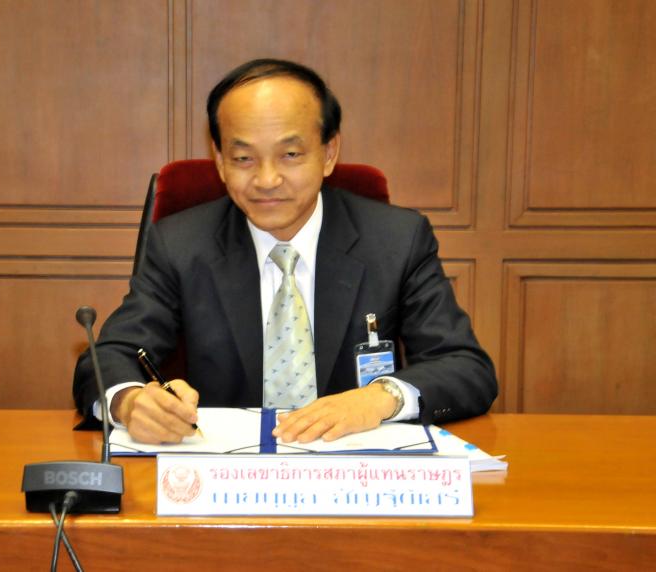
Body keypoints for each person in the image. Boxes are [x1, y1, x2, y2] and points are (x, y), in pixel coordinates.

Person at [73, 58, 497, 444]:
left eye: (290, 154)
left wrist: (380, 398)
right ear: (219, 160)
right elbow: (107, 357)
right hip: (225, 477)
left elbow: (465, 367)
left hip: (356, 474)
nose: (267, 179)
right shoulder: (181, 244)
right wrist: (130, 401)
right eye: (243, 158)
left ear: (329, 153)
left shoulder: (397, 239)